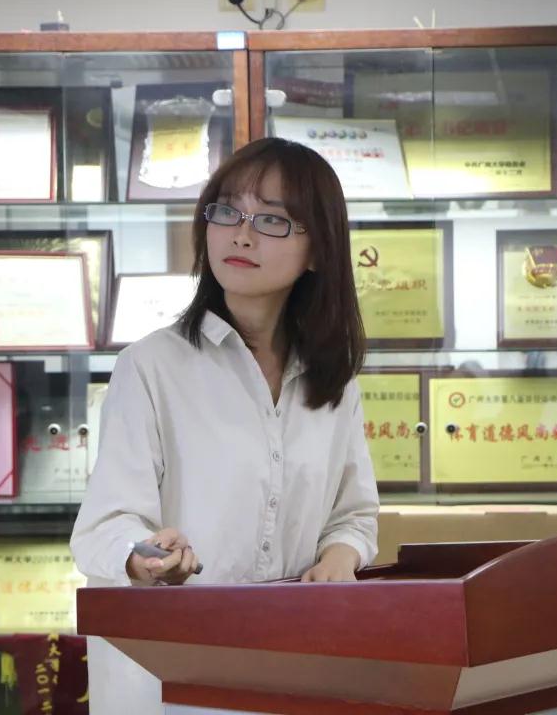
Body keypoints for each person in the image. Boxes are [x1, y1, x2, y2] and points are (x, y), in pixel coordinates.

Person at [70, 137, 379, 714]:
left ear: (318, 250)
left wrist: (342, 555)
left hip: (292, 667)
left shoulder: (333, 381)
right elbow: (105, 526)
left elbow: (354, 514)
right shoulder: (151, 366)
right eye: (227, 211)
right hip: (168, 679)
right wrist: (146, 555)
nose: (241, 234)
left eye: (272, 220)